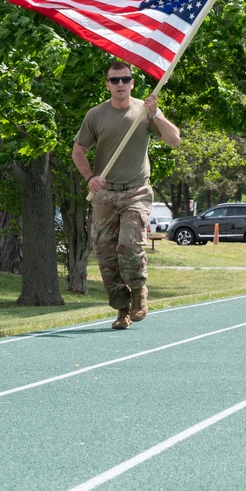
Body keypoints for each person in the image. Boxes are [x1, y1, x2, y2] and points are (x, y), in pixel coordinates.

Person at [71, 60, 181, 330]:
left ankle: (139, 291)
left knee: (129, 245)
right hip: (105, 195)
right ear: (107, 84)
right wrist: (90, 178)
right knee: (106, 255)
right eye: (115, 80)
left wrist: (156, 115)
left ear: (132, 82)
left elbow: (175, 140)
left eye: (125, 79)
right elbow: (78, 151)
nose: (120, 84)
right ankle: (122, 310)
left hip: (137, 191)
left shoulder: (145, 111)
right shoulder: (95, 115)